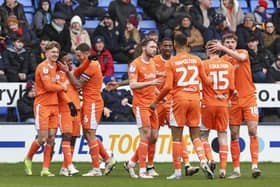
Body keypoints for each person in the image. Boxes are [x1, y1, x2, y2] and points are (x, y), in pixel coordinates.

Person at [150, 34, 213, 180]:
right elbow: (207, 82)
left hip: (179, 100)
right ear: (187, 44)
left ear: (175, 44)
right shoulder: (197, 60)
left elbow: (167, 87)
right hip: (195, 99)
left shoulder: (171, 62)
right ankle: (203, 161)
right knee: (196, 136)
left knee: (177, 138)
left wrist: (156, 101)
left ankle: (178, 172)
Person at [210, 33, 262, 179]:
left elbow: (241, 59)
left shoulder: (242, 52)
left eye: (232, 42)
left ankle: (255, 166)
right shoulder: (223, 61)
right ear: (224, 43)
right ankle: (237, 170)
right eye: (227, 42)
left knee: (252, 130)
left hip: (249, 97)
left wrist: (222, 48)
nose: (230, 44)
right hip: (233, 101)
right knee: (234, 135)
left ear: (236, 43)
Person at [59, 43, 116, 176]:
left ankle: (96, 168)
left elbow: (78, 84)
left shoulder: (92, 66)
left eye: (79, 55)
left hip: (93, 103)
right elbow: (76, 72)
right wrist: (65, 70)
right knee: (88, 134)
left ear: (86, 54)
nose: (77, 58)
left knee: (90, 133)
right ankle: (107, 159)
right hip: (88, 102)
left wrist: (67, 72)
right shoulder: (88, 64)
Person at [24, 41, 77, 177]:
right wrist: (63, 87)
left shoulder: (55, 67)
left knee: (51, 138)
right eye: (52, 52)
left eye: (57, 52)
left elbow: (58, 88)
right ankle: (28, 158)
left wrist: (69, 102)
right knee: (42, 138)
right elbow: (48, 86)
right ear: (46, 53)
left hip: (54, 106)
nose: (55, 54)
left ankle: (45, 169)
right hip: (43, 106)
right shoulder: (44, 67)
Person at [124, 38, 162, 179]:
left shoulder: (152, 63)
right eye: (152, 47)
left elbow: (152, 85)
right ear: (144, 47)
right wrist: (151, 82)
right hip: (141, 105)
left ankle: (131, 163)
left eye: (155, 47)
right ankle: (142, 171)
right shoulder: (135, 64)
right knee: (145, 135)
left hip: (152, 104)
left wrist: (161, 95)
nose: (155, 49)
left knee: (154, 137)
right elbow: (133, 85)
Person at [200, 39, 237, 178]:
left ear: (208, 51)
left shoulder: (203, 65)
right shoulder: (228, 66)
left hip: (207, 104)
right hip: (223, 104)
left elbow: (201, 82)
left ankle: (210, 159)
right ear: (220, 50)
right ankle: (222, 170)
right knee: (222, 135)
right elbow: (232, 88)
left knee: (203, 135)